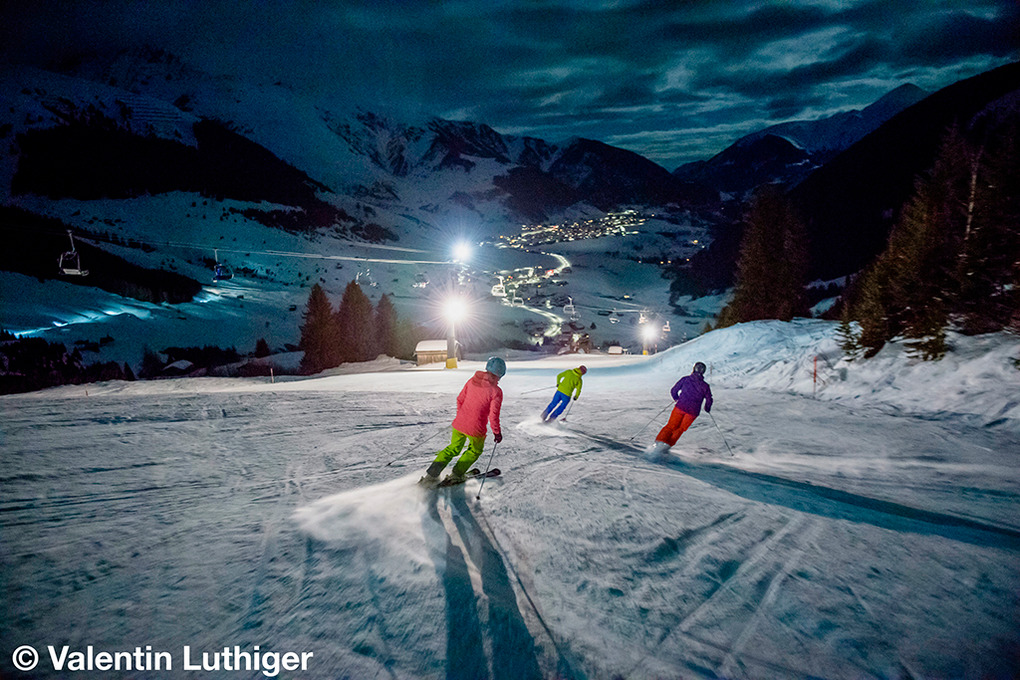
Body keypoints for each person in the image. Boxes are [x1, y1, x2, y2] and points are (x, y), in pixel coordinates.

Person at [419, 356, 505, 487]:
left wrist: (462, 415)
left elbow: (460, 399)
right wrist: (497, 432)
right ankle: (456, 474)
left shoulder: (472, 381)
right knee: (475, 450)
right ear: (499, 374)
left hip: (459, 424)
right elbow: (493, 416)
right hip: (476, 428)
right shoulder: (496, 391)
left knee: (453, 448)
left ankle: (431, 475)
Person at [652, 361, 713, 452]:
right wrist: (707, 408)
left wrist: (676, 398)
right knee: (680, 429)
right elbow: (709, 399)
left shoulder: (685, 379)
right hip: (692, 412)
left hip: (680, 407)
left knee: (671, 426)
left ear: (694, 369)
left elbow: (674, 390)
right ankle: (667, 446)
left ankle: (659, 443)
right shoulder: (705, 386)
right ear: (703, 371)